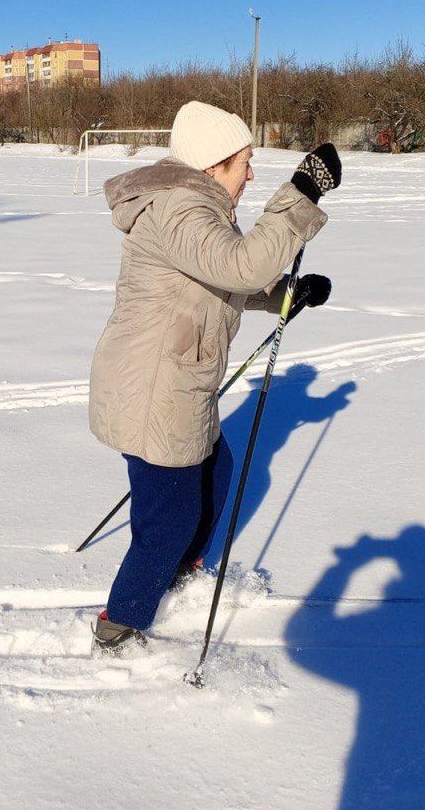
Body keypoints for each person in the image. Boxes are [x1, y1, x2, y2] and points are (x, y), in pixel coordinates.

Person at [88, 100, 341, 653]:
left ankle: (176, 571)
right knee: (170, 513)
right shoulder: (180, 210)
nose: (251, 173)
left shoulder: (192, 208)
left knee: (215, 470)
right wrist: (299, 197)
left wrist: (285, 295)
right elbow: (242, 265)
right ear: (211, 164)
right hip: (156, 387)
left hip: (175, 381)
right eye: (244, 162)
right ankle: (122, 621)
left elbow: (224, 278)